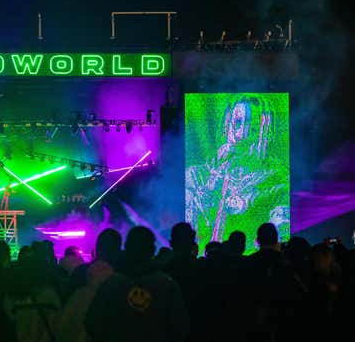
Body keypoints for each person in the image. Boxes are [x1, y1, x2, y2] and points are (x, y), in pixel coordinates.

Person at [185, 95, 289, 252]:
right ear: (227, 125)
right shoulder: (196, 175)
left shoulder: (278, 177)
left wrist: (249, 201)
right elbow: (191, 233)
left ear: (265, 134)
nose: (241, 136)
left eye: (253, 128)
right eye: (237, 124)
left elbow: (279, 235)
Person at [86, 227, 189, 342]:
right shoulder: (166, 285)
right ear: (152, 250)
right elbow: (180, 328)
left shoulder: (112, 283)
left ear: (126, 248)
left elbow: (93, 323)